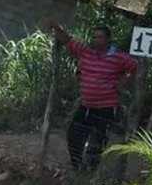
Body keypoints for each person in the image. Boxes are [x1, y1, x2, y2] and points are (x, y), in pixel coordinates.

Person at [48, 22, 139, 171]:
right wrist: (57, 28)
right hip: (86, 105)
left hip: (106, 107)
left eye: (100, 37)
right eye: (94, 37)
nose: (96, 40)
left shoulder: (119, 57)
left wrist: (123, 83)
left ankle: (90, 170)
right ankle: (77, 166)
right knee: (74, 135)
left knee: (98, 141)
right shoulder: (86, 52)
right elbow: (68, 40)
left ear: (108, 39)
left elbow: (136, 68)